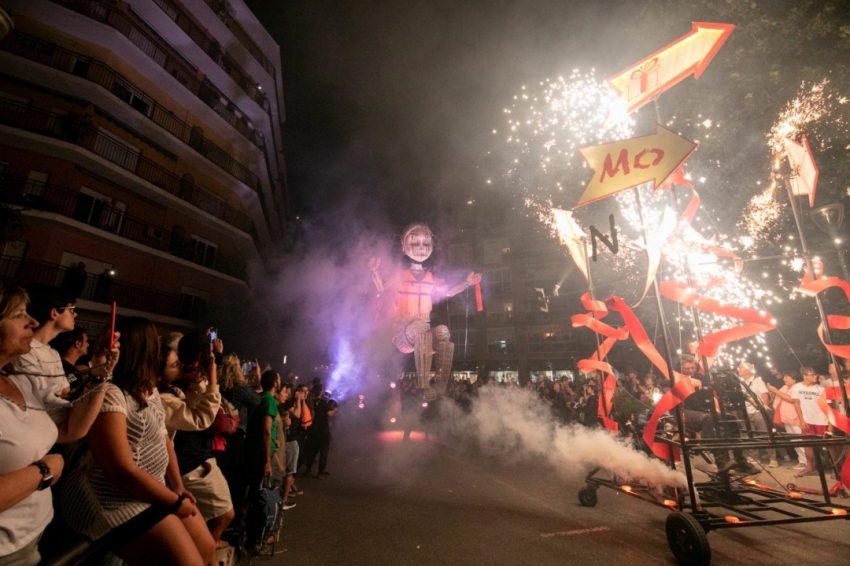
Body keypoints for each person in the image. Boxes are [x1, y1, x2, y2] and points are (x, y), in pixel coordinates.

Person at [60, 317, 215, 566]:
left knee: (207, 548)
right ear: (142, 350)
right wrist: (173, 502)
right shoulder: (111, 394)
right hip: (113, 499)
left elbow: (164, 440)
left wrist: (176, 486)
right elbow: (121, 471)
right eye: (154, 342)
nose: (163, 349)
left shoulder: (149, 389)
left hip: (151, 490)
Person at [0, 283, 117, 565]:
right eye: (19, 315)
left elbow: (71, 429)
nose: (32, 321)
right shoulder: (29, 364)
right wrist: (43, 472)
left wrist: (101, 369)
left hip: (31, 539)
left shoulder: (16, 381)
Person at [159, 335, 233, 547]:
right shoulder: (163, 398)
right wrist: (211, 381)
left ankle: (204, 550)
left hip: (188, 463)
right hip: (188, 464)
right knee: (224, 515)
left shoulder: (174, 388)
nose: (181, 366)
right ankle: (205, 550)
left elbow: (194, 405)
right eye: (175, 364)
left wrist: (200, 380)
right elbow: (202, 419)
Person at [245, 370, 281, 496]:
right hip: (262, 452)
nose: (280, 381)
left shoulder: (262, 396)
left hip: (257, 447)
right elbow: (266, 430)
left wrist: (274, 439)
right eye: (279, 379)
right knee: (257, 489)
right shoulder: (269, 400)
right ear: (275, 383)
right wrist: (267, 462)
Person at [790, 367, 829, 478]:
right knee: (808, 444)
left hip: (821, 420)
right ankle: (810, 468)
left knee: (826, 445)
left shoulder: (820, 389)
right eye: (812, 375)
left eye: (815, 374)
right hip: (807, 420)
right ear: (805, 376)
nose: (815, 376)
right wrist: (801, 419)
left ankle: (833, 468)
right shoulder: (797, 387)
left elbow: (827, 406)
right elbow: (796, 403)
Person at [767, 371, 807, 470]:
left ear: (794, 379)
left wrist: (775, 390)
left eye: (787, 378)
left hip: (796, 417)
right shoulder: (784, 387)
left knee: (800, 440)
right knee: (793, 440)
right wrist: (772, 392)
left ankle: (806, 462)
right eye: (784, 377)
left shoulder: (798, 387)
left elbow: (791, 399)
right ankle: (801, 460)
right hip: (785, 417)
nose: (784, 379)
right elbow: (778, 396)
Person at [301, 383, 338, 478]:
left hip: (313, 430)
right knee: (324, 452)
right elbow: (329, 414)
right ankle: (320, 472)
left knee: (313, 451)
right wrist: (335, 410)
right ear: (320, 392)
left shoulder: (311, 402)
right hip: (323, 431)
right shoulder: (323, 403)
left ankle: (308, 469)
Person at [49, 326, 89, 398]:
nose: (88, 345)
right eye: (86, 341)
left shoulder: (53, 363)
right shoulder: (74, 374)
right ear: (77, 344)